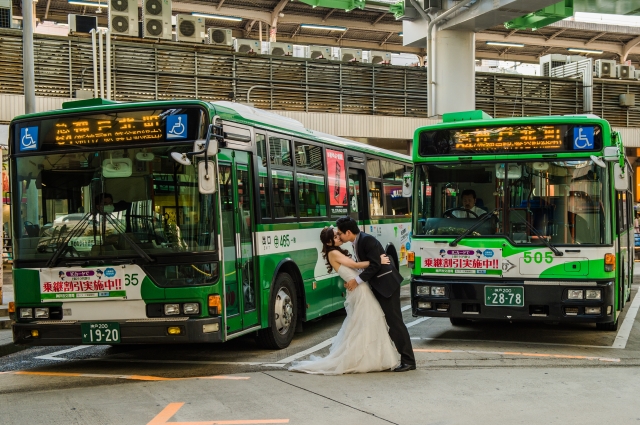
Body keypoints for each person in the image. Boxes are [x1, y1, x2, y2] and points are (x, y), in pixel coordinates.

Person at [289, 226, 400, 375]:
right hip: (360, 291)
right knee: (368, 321)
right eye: (335, 237)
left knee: (366, 322)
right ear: (329, 243)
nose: (339, 238)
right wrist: (376, 260)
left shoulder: (336, 252)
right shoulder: (333, 253)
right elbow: (354, 265)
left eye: (338, 235)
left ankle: (373, 358)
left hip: (360, 289)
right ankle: (367, 359)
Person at [337, 216, 416, 372]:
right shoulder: (358, 241)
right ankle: (391, 358)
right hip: (380, 285)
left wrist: (357, 280)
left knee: (394, 322)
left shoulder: (366, 240)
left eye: (340, 233)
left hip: (387, 285)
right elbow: (373, 263)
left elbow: (374, 265)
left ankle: (408, 360)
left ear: (348, 232)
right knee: (387, 322)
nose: (339, 236)